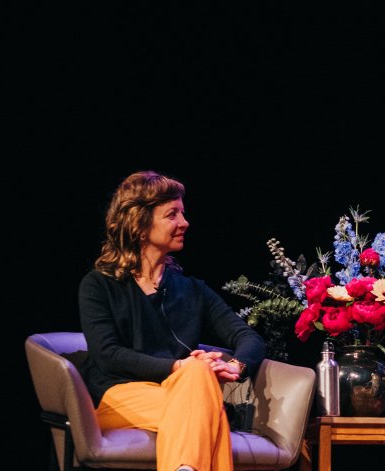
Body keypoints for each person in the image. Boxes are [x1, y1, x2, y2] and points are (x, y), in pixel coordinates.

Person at [79, 171, 266, 471]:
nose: (185, 223)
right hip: (117, 398)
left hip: (183, 391)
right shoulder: (99, 285)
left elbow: (249, 338)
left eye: (183, 213)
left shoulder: (193, 290)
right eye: (172, 214)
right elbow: (108, 354)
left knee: (196, 380)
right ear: (140, 225)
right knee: (206, 404)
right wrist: (179, 366)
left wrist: (235, 365)